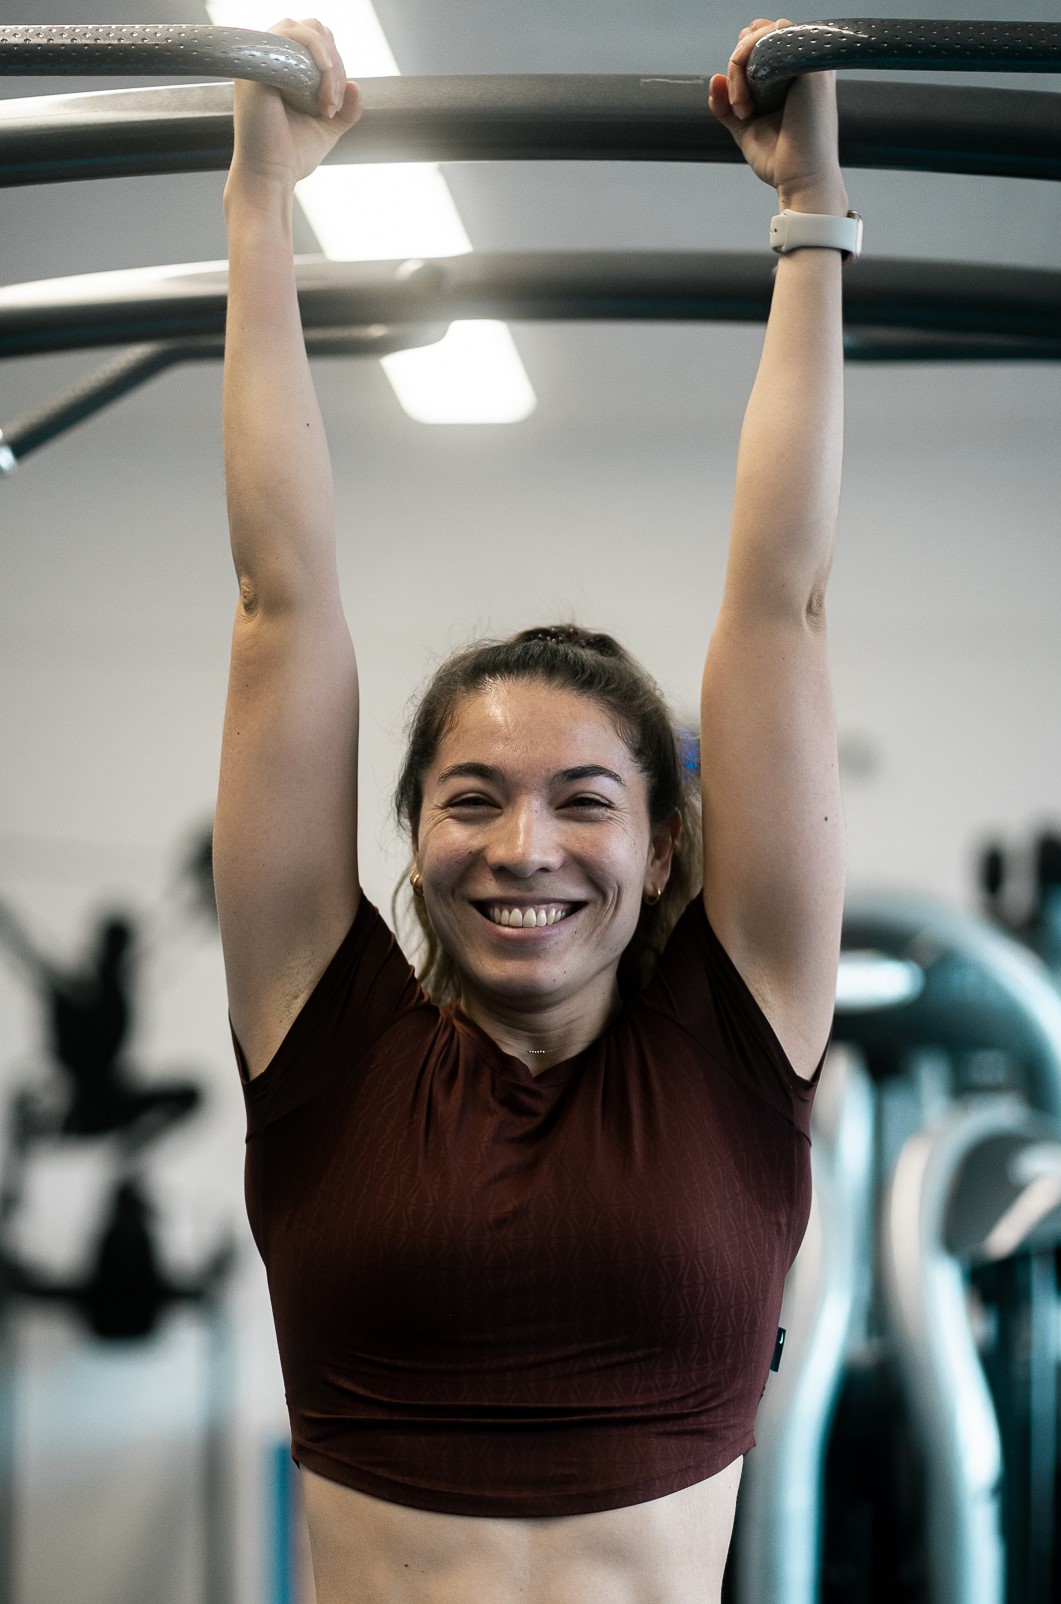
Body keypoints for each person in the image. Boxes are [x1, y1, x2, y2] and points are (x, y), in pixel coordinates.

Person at [213, 14, 847, 1603]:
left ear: (659, 846)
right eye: (470, 800)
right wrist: (256, 203)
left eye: (583, 802)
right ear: (409, 841)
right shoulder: (321, 1038)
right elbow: (278, 603)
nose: (524, 848)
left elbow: (782, 605)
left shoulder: (740, 1031)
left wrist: (808, 211)